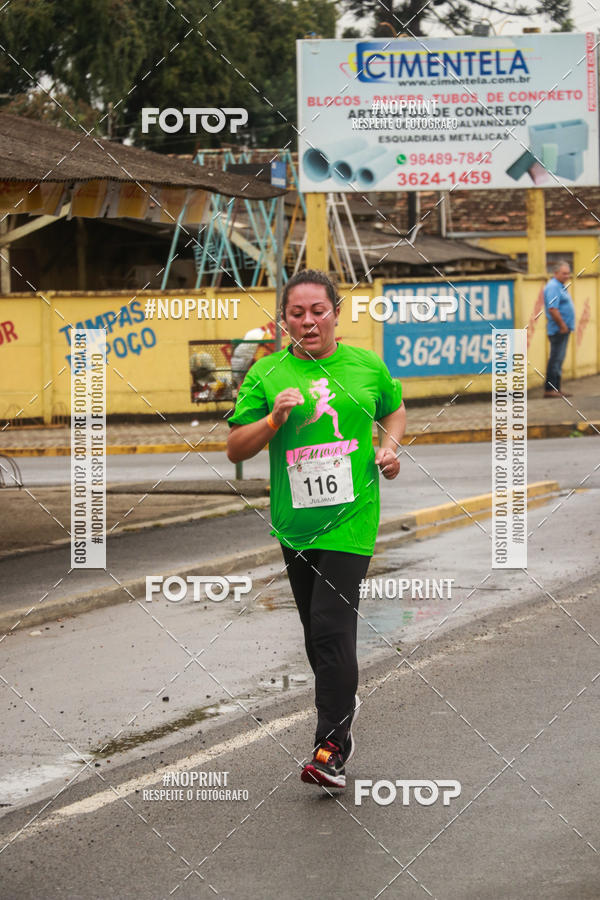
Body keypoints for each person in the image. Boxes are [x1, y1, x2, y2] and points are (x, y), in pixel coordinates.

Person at [227, 269, 406, 789]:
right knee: (318, 634)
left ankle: (329, 749)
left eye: (317, 311)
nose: (308, 321)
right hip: (294, 524)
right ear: (284, 320)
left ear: (335, 313)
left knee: (330, 625)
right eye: (296, 313)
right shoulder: (267, 373)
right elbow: (236, 448)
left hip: (351, 519)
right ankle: (339, 726)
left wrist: (389, 450)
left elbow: (393, 413)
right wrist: (272, 423)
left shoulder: (366, 365)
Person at [543, 260, 575, 398]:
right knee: (555, 359)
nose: (567, 276)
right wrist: (562, 325)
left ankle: (556, 388)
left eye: (568, 273)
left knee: (559, 359)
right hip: (558, 329)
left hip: (564, 329)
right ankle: (550, 389)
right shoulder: (553, 287)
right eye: (564, 273)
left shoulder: (561, 286)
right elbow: (552, 308)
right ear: (555, 273)